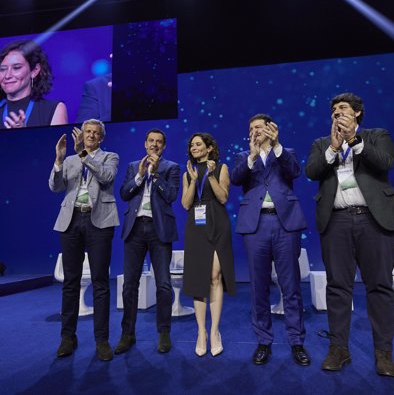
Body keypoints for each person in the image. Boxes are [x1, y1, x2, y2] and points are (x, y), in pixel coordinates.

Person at [305, 92, 394, 377]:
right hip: (336, 221)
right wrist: (334, 149)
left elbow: (385, 163)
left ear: (358, 113)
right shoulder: (321, 143)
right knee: (338, 287)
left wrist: (353, 141)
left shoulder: (376, 135)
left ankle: (383, 354)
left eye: (343, 108)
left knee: (379, 286)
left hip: (374, 221)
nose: (337, 112)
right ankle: (339, 349)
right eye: (334, 109)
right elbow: (312, 172)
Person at [230, 114, 310, 367]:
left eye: (259, 127)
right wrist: (253, 156)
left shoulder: (285, 152)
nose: (254, 131)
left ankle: (296, 341)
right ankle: (264, 340)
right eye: (251, 127)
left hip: (284, 223)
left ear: (271, 129)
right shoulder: (244, 157)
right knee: (259, 286)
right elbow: (235, 179)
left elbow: (295, 171)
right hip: (256, 225)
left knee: (291, 286)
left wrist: (277, 146)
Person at [49, 118, 119, 361]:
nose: (90, 135)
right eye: (87, 131)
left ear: (101, 137)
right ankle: (68, 337)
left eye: (95, 133)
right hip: (71, 221)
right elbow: (55, 187)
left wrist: (83, 155)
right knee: (71, 282)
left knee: (100, 282)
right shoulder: (69, 160)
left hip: (99, 221)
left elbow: (106, 178)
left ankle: (102, 341)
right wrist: (59, 161)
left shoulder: (110, 157)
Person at [114, 129, 180, 355]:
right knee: (129, 284)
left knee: (163, 284)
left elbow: (171, 196)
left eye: (159, 142)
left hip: (159, 230)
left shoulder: (171, 168)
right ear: (145, 144)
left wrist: (155, 175)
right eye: (151, 141)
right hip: (134, 229)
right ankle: (127, 334)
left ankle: (163, 333)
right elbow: (124, 193)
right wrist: (141, 175)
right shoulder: (134, 166)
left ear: (163, 147)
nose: (154, 145)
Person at [181, 133, 236, 357]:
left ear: (209, 148)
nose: (194, 147)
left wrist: (211, 176)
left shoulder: (221, 168)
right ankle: (201, 332)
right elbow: (185, 204)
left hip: (217, 221)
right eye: (192, 145)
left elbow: (223, 198)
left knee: (214, 276)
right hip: (196, 223)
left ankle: (214, 332)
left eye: (198, 144)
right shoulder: (187, 173)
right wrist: (194, 181)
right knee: (197, 279)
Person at [0, 39, 68, 131]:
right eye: (2, 69)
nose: (7, 75)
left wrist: (24, 136)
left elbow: (56, 146)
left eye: (16, 68)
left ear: (34, 71)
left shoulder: (54, 110)